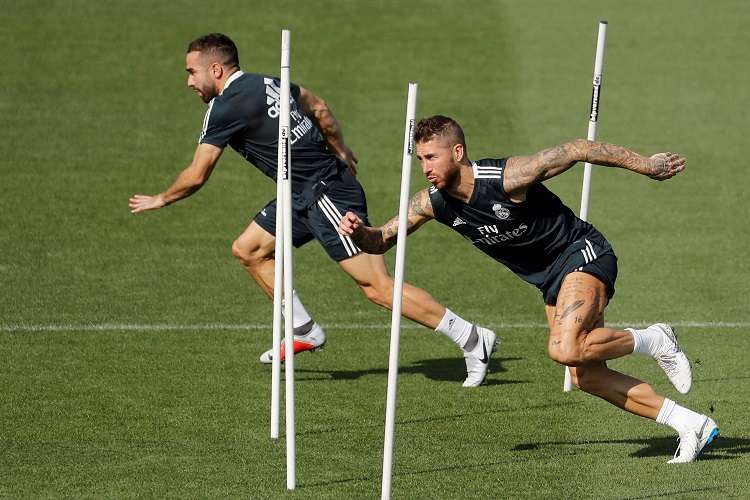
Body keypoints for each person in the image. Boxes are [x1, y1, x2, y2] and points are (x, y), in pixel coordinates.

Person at [339, 115, 719, 462]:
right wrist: (360, 233)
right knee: (584, 375)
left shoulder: (507, 177)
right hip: (551, 282)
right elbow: (382, 240)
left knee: (563, 348)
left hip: (581, 253)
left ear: (457, 152)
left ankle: (654, 339)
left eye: (432, 157)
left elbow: (576, 149)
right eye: (420, 159)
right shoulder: (433, 204)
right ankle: (690, 424)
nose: (426, 168)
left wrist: (647, 165)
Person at [128, 34, 498, 387]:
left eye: (191, 72)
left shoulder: (223, 108)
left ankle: (470, 338)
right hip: (298, 193)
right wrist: (339, 147)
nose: (189, 81)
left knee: (378, 288)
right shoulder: (268, 82)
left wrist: (161, 198)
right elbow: (318, 106)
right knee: (249, 249)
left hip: (326, 195)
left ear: (216, 70)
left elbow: (196, 175)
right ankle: (304, 330)